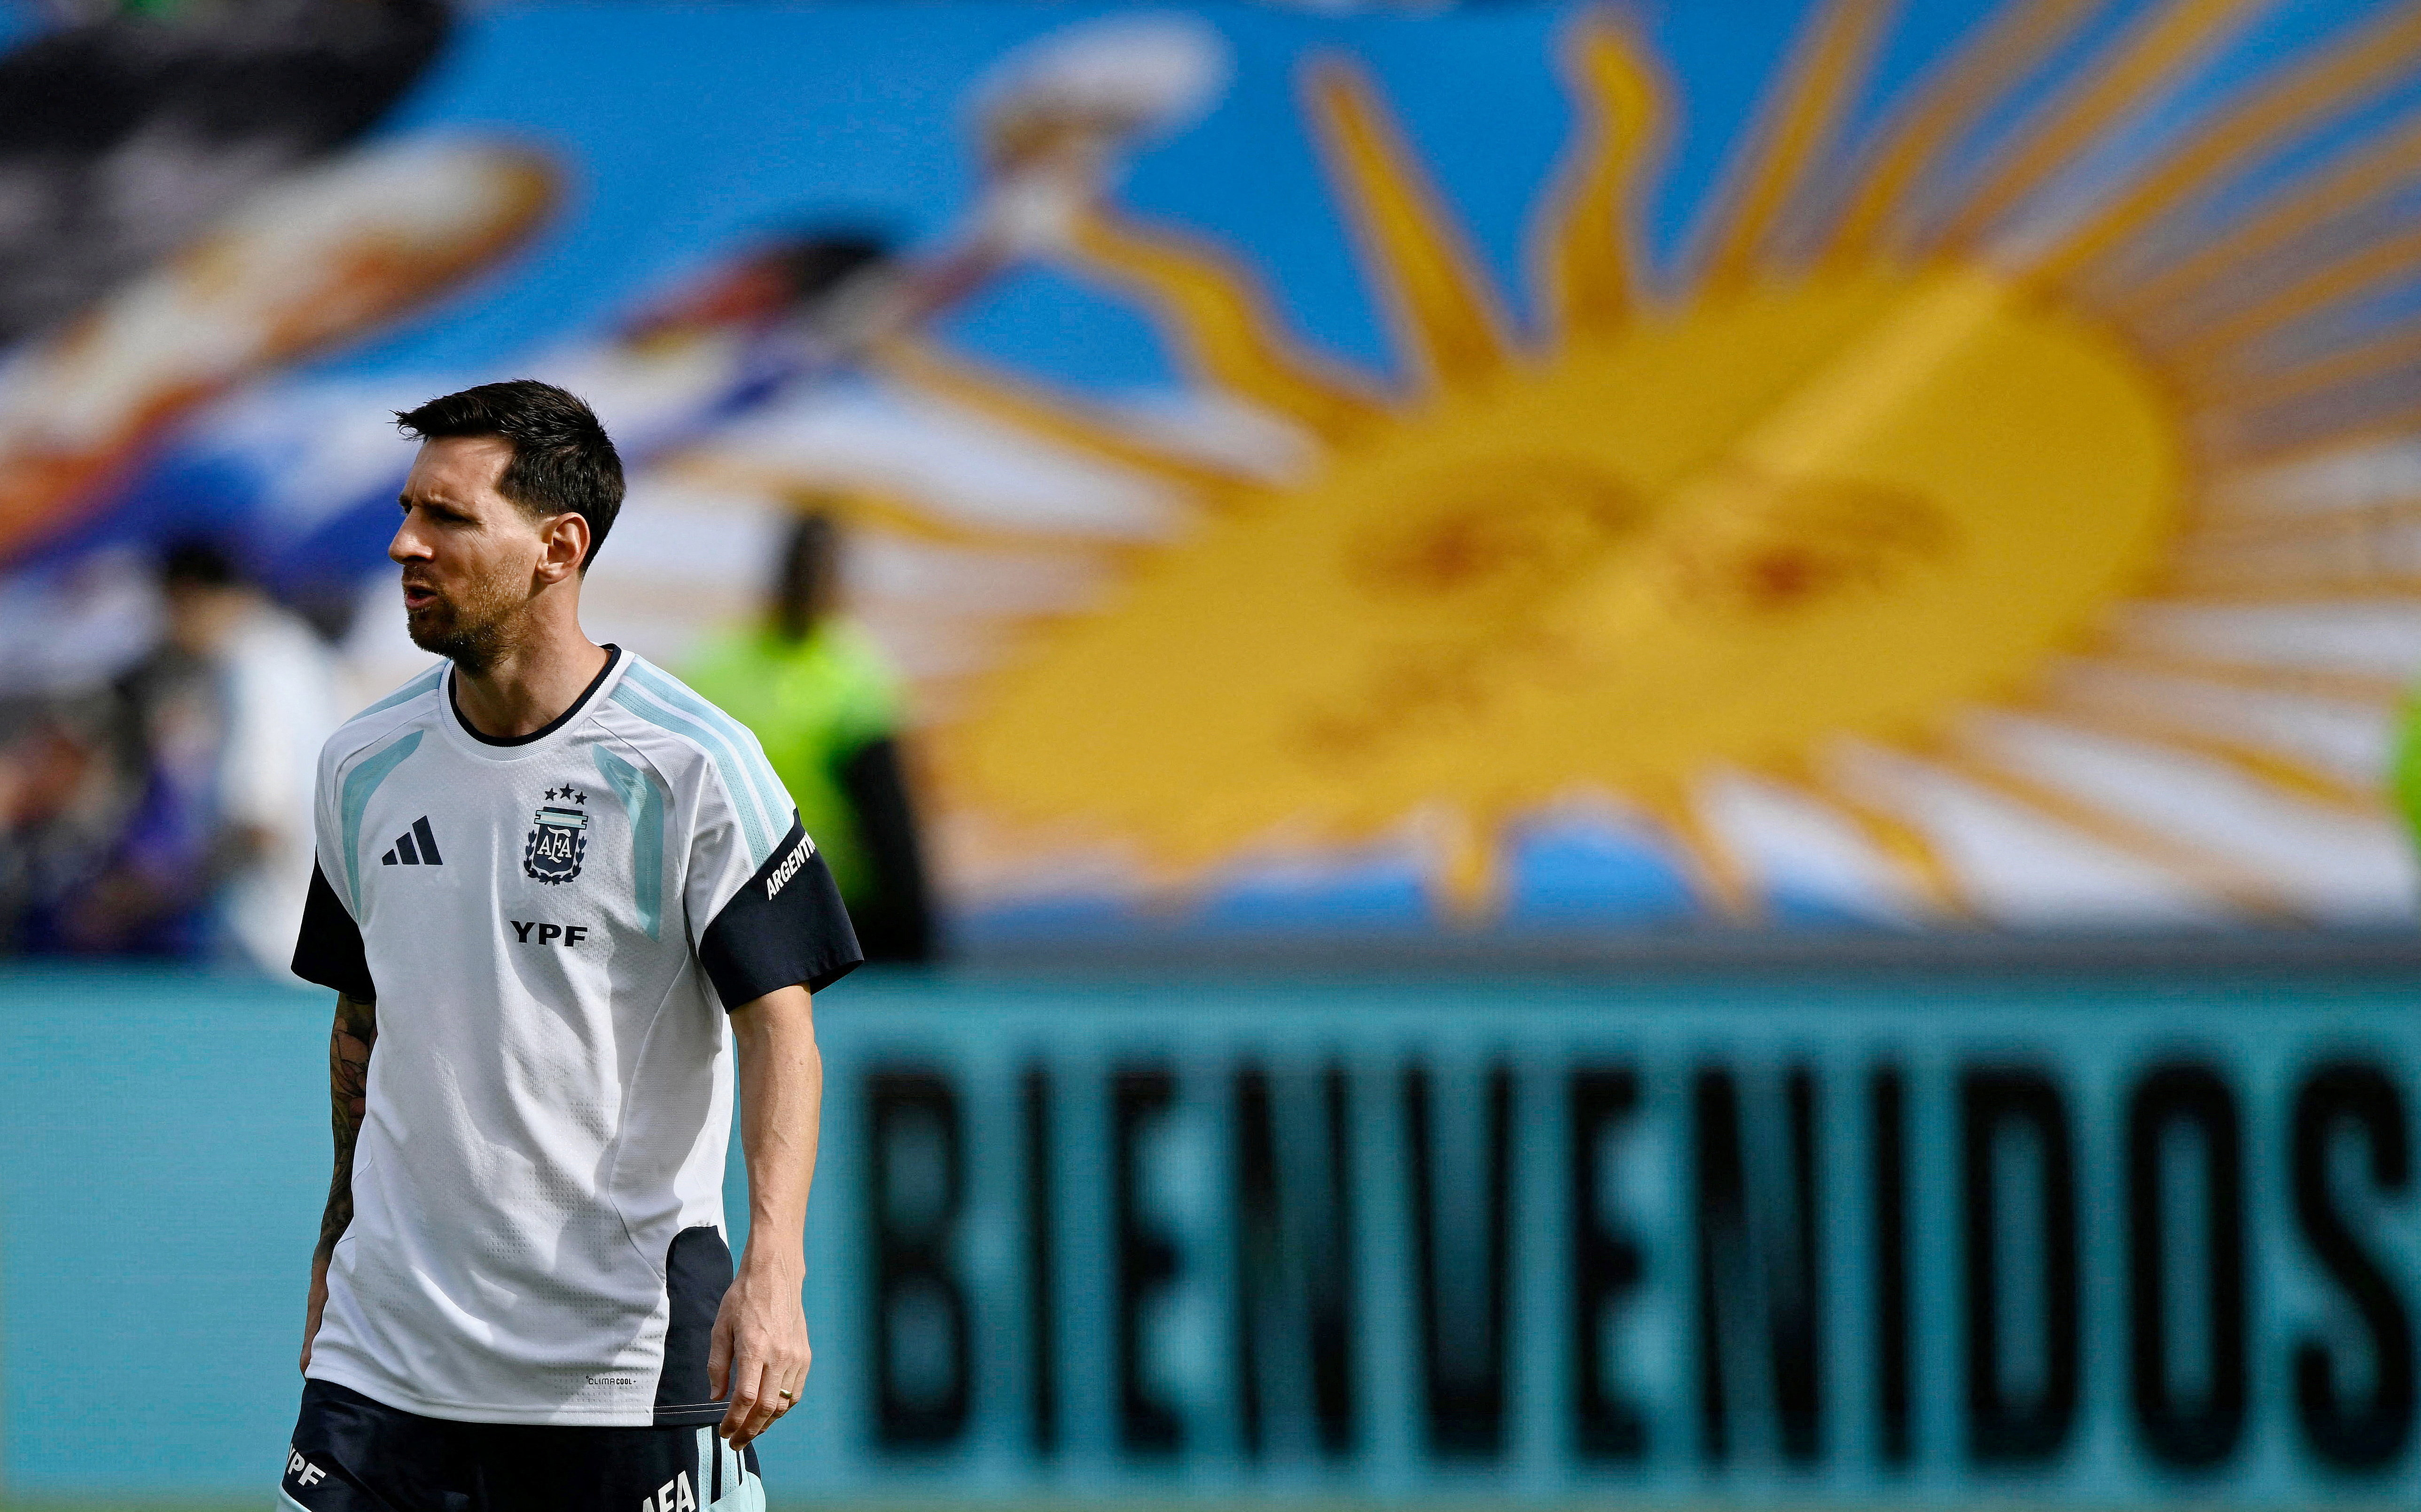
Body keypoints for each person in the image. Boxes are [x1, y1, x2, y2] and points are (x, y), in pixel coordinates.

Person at [283, 380, 861, 1511]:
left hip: (623, 1371)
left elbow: (780, 1023)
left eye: (449, 516)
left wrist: (775, 1270)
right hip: (385, 1360)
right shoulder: (361, 766)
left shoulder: (692, 762)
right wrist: (332, 1247)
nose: (406, 541)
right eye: (409, 508)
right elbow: (362, 1025)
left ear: (558, 546)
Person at [685, 509, 934, 963]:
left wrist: (915, 935)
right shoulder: (852, 677)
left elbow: (891, 829)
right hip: (744, 907)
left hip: (823, 912)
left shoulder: (854, 678)